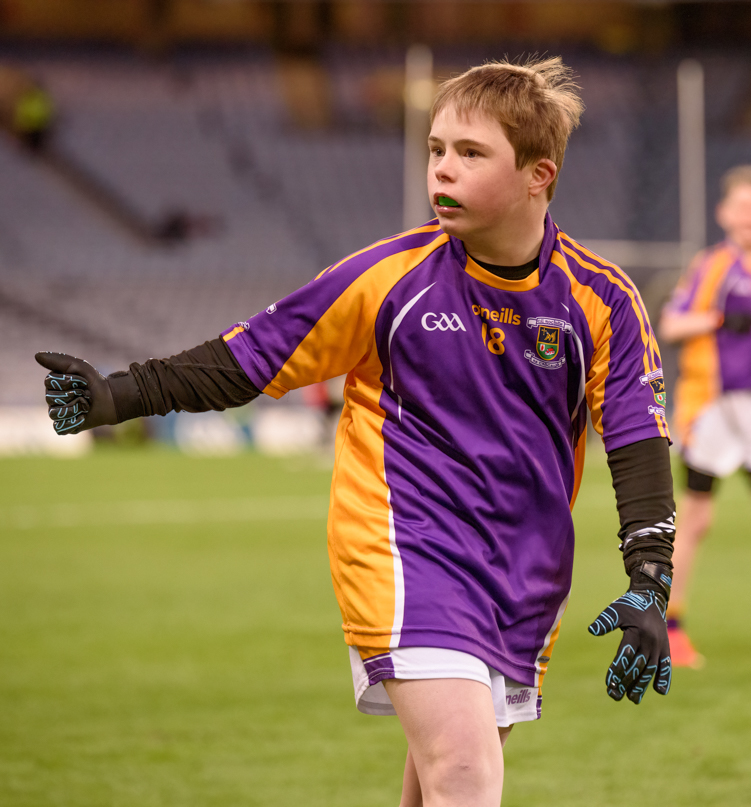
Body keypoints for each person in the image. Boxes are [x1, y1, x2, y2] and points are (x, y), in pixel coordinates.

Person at [36, 57, 676, 807]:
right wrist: (115, 395)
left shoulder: (602, 299)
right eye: (435, 149)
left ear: (539, 175)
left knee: (438, 782)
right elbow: (248, 360)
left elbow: (634, 439)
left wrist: (648, 581)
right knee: (465, 776)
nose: (442, 170)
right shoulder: (387, 278)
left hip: (524, 572)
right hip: (405, 550)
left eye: (470, 154)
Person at [659, 165, 751, 668]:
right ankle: (669, 624)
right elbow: (673, 323)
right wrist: (719, 320)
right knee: (696, 519)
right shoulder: (714, 266)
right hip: (714, 408)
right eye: (742, 207)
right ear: (725, 213)